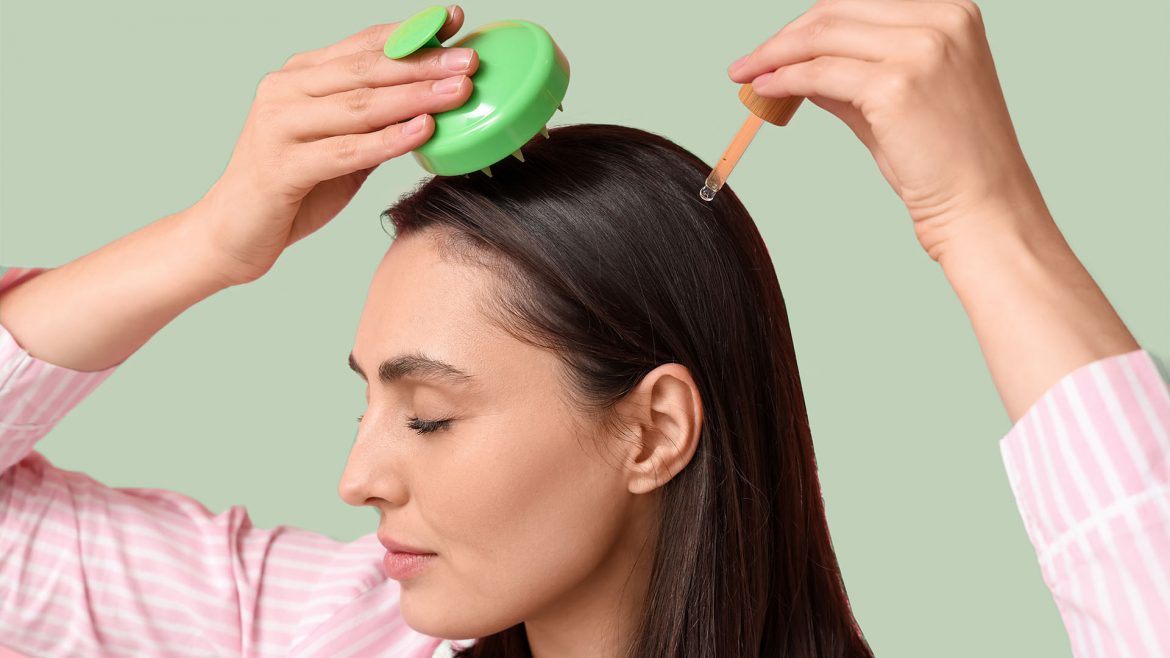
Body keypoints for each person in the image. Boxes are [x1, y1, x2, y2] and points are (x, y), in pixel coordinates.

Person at [1, 2, 1167, 657]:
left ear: (654, 428)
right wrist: (209, 240)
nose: (358, 475)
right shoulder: (336, 635)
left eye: (431, 413)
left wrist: (991, 226)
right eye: (366, 401)